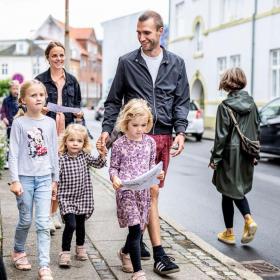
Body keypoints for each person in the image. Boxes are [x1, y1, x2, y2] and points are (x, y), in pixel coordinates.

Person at [98, 10, 189, 275]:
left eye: (147, 33)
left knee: (151, 195)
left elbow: (182, 101)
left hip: (162, 136)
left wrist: (180, 132)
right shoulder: (127, 62)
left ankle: (133, 246)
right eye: (138, 33)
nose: (141, 38)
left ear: (161, 31)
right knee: (151, 194)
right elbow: (114, 100)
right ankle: (158, 252)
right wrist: (106, 130)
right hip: (137, 136)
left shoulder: (176, 63)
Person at [8, 80, 58, 280]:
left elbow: (54, 152)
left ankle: (44, 266)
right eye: (33, 95)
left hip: (45, 178)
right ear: (23, 100)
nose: (38, 98)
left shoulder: (50, 123)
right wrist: (15, 180)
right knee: (25, 220)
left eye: (41, 95)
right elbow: (12, 154)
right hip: (25, 179)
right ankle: (18, 251)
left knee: (43, 222)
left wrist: (56, 179)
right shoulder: (19, 123)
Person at [109, 99, 164, 280]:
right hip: (126, 191)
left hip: (143, 192)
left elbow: (151, 167)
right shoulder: (119, 144)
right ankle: (138, 272)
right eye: (135, 125)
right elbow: (113, 167)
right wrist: (115, 178)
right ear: (126, 123)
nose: (139, 129)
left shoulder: (149, 143)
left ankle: (125, 252)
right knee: (134, 229)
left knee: (139, 229)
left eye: (143, 124)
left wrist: (159, 174)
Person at [35, 41, 83, 235]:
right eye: (54, 55)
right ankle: (46, 214)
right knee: (47, 174)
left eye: (61, 55)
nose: (59, 59)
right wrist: (40, 109)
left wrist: (80, 117)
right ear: (48, 58)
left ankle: (54, 213)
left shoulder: (72, 81)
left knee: (61, 175)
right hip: (47, 132)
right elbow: (28, 106)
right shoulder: (39, 81)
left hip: (67, 133)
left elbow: (78, 105)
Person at [209, 67, 259, 245]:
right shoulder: (252, 104)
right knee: (231, 191)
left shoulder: (224, 106)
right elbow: (256, 129)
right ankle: (230, 231)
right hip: (247, 152)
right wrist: (255, 154)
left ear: (227, 83)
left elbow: (221, 136)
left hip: (230, 155)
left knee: (229, 189)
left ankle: (246, 220)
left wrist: (215, 159)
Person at [57, 124, 107, 267]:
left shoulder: (84, 156)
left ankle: (80, 248)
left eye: (79, 141)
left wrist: (102, 153)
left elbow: (99, 164)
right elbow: (55, 176)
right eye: (71, 140)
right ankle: (65, 252)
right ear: (65, 141)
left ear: (83, 143)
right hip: (66, 198)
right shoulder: (61, 158)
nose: (75, 143)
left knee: (80, 224)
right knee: (70, 224)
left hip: (82, 196)